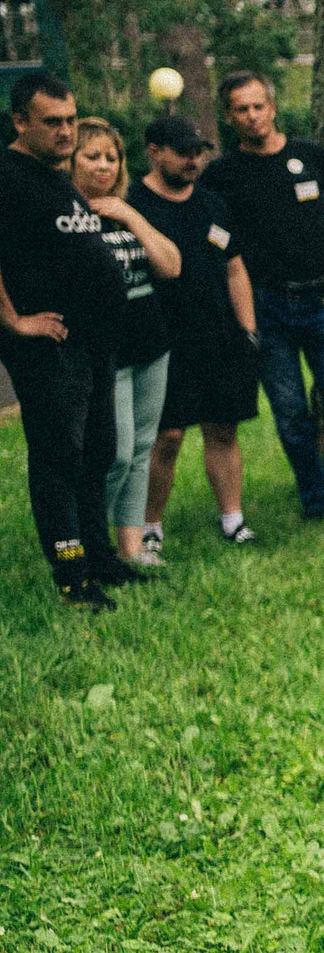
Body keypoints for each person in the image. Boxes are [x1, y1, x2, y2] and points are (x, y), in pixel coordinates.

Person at [201, 70, 324, 526]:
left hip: (322, 303)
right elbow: (202, 226)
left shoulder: (308, 155)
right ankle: (316, 500)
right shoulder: (222, 173)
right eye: (241, 109)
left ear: (272, 106)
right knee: (290, 414)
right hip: (266, 309)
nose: (251, 116)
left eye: (258, 106)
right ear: (229, 117)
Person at [0, 72, 129, 607]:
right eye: (52, 122)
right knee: (59, 455)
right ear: (20, 121)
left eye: (71, 119)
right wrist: (13, 320)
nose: (66, 131)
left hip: (91, 338)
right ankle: (72, 576)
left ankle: (101, 558)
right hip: (48, 345)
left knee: (99, 450)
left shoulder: (54, 176)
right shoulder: (7, 175)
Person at [136, 114, 261, 552]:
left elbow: (235, 267)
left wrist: (248, 330)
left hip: (220, 338)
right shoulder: (132, 202)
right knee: (166, 436)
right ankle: (148, 524)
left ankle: (233, 518)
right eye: (182, 152)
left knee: (223, 429)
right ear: (154, 151)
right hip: (163, 339)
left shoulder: (212, 203)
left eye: (197, 152)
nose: (193, 160)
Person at [69, 119, 182, 573]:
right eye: (91, 156)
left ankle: (130, 548)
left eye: (110, 157)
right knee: (113, 452)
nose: (102, 165)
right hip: (104, 348)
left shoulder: (127, 210)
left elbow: (171, 266)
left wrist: (129, 214)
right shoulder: (68, 217)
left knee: (141, 447)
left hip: (151, 342)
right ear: (70, 161)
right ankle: (84, 539)